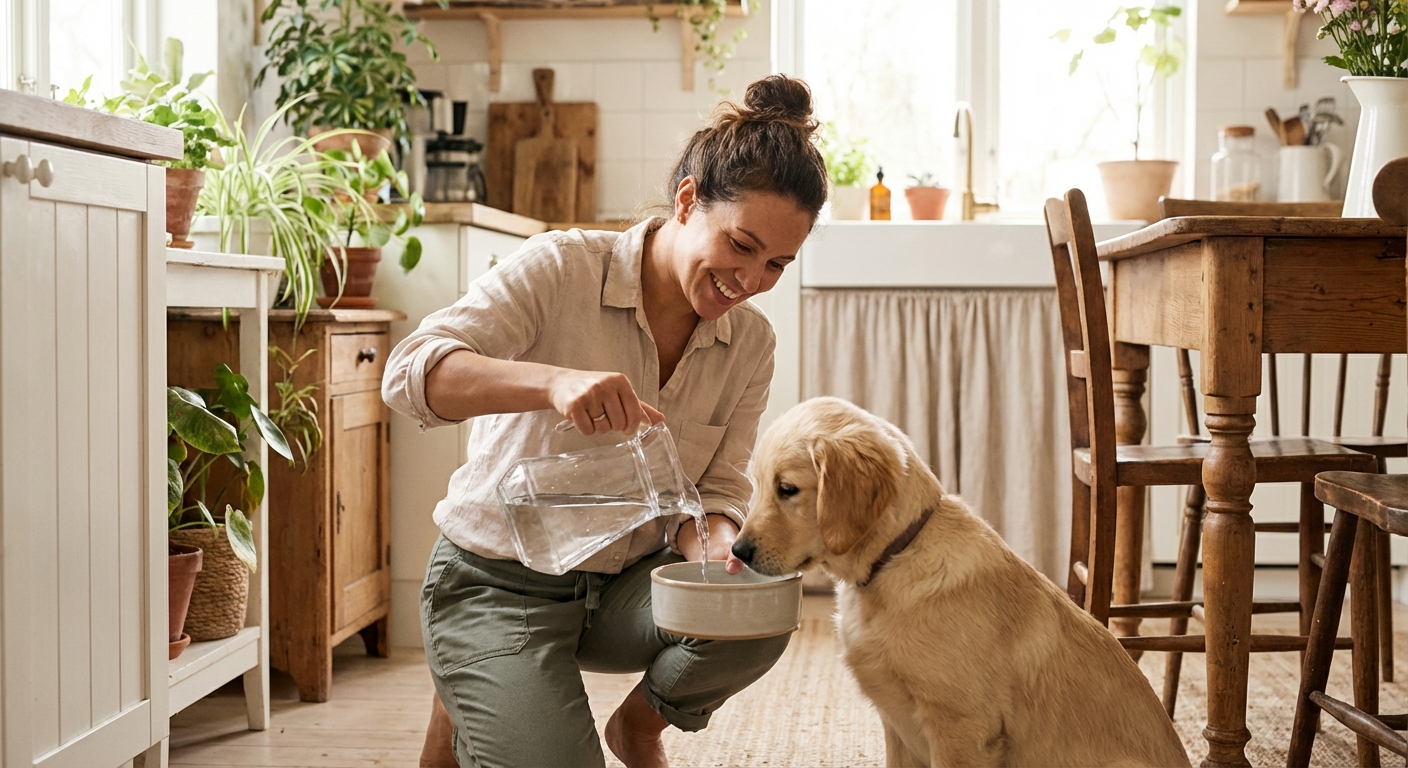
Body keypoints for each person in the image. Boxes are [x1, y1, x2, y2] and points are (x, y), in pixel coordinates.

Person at [382, 74, 827, 768]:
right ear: (688, 201)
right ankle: (482, 670)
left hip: (623, 589)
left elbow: (717, 489)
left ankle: (636, 728)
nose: (750, 280)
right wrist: (553, 383)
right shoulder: (561, 267)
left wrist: (714, 547)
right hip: (497, 584)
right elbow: (408, 373)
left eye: (776, 264)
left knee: (760, 606)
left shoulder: (751, 344)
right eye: (740, 245)